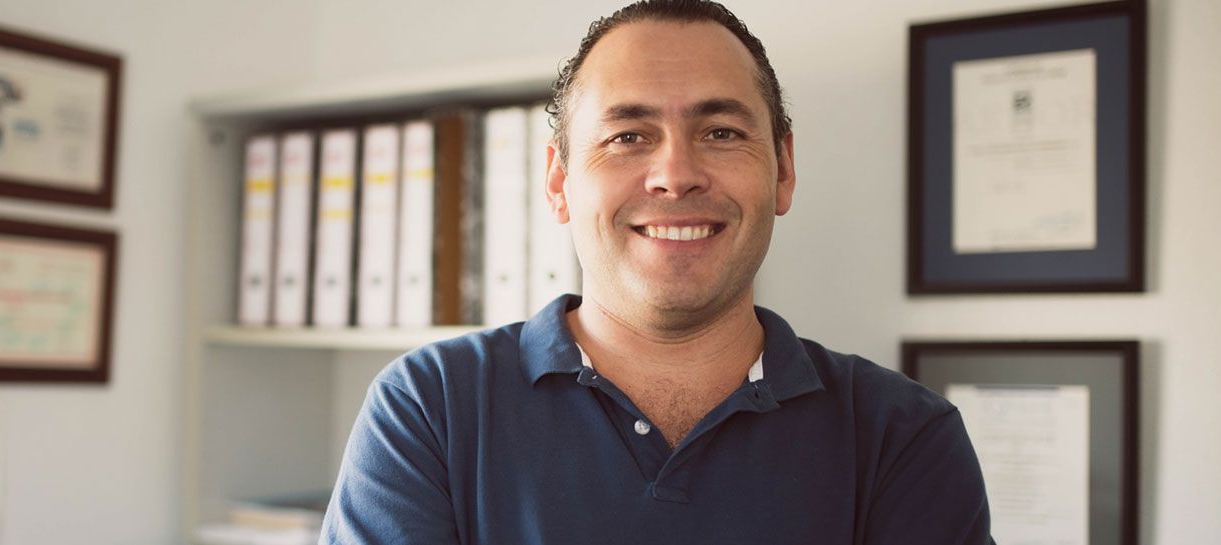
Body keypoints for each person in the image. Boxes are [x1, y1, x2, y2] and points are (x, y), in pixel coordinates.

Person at [321, 1, 994, 543]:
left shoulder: (903, 438)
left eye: (722, 132)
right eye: (627, 136)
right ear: (558, 182)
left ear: (783, 170)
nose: (675, 175)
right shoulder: (429, 408)